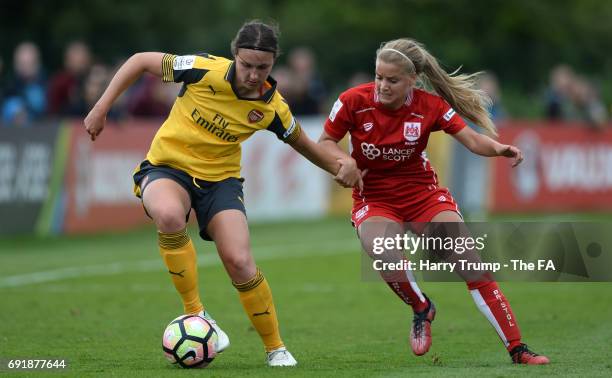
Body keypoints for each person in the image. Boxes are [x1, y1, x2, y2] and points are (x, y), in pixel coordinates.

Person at [84, 20, 361, 367]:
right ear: (234, 55)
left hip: (221, 183)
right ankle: (198, 315)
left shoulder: (273, 108)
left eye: (262, 67)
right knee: (169, 216)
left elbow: (305, 144)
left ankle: (276, 348)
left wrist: (340, 165)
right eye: (246, 65)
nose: (253, 74)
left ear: (274, 63)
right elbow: (140, 60)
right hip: (168, 168)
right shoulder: (202, 70)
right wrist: (102, 106)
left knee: (241, 263)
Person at [319, 38, 550, 365]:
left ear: (412, 80)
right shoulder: (352, 101)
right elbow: (325, 141)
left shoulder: (430, 106)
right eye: (379, 77)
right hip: (375, 198)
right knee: (382, 251)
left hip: (424, 196)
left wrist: (499, 148)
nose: (382, 86)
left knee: (472, 265)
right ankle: (421, 307)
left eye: (392, 80)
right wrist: (344, 162)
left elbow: (471, 139)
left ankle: (518, 350)